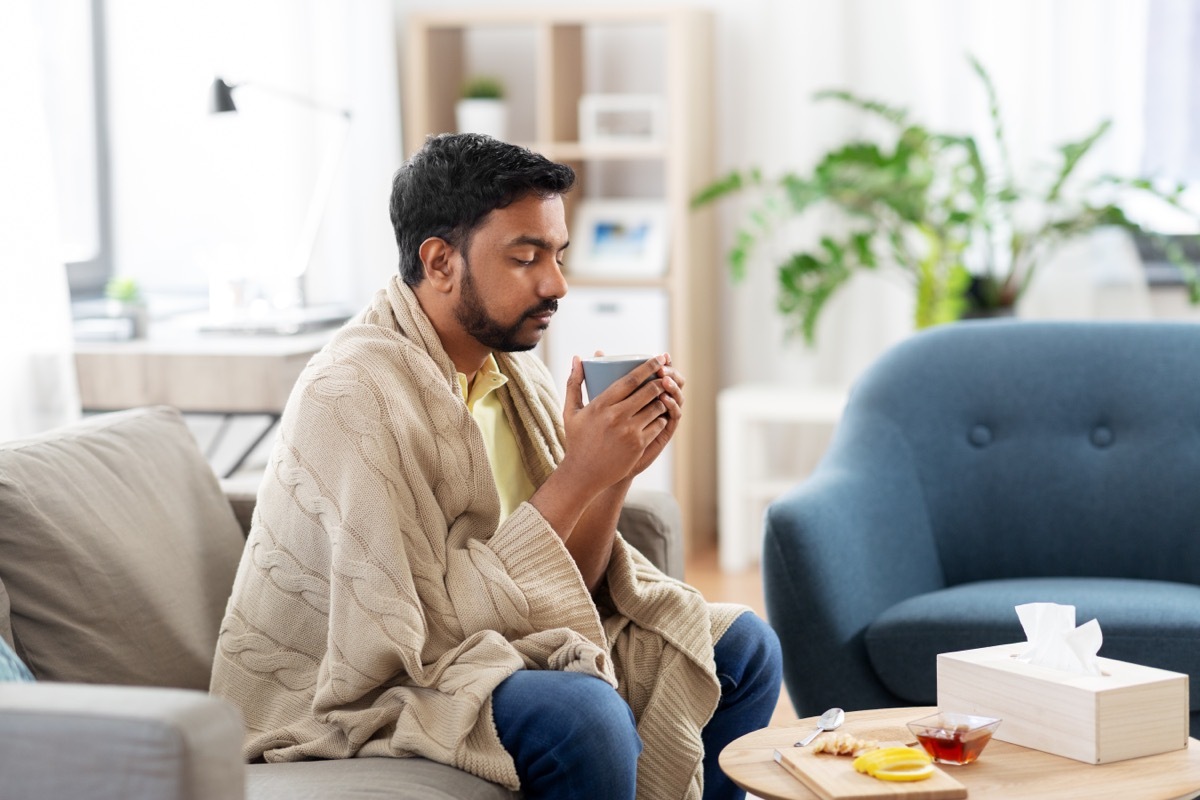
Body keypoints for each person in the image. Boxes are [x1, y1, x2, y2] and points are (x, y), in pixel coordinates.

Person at [210, 133, 782, 800]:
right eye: (526, 257)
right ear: (440, 261)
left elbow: (570, 586)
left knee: (743, 649)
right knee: (584, 718)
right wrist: (577, 475)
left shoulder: (513, 373)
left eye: (559, 254)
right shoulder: (351, 394)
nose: (557, 283)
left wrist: (614, 471)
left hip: (500, 643)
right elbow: (411, 641)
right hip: (378, 686)